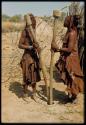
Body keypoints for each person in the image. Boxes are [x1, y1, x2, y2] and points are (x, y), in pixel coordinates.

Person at [51, 15, 84, 103]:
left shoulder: (72, 33)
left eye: (66, 20)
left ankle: (74, 97)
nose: (64, 21)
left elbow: (69, 49)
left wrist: (57, 48)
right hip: (67, 57)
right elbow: (66, 47)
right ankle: (71, 95)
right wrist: (57, 49)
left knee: (72, 77)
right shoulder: (68, 32)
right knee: (69, 77)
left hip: (72, 59)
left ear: (70, 23)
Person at [18, 13, 41, 100]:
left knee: (34, 76)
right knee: (26, 76)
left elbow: (36, 44)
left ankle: (34, 94)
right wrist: (30, 47)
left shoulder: (34, 30)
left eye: (34, 21)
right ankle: (25, 94)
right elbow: (19, 45)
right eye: (32, 21)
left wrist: (38, 47)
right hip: (27, 57)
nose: (34, 23)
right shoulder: (25, 31)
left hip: (34, 57)